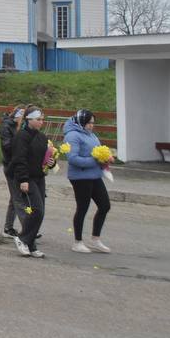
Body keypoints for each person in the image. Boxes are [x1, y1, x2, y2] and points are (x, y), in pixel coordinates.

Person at [65, 109, 112, 254]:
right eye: (88, 123)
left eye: (93, 123)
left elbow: (98, 150)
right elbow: (72, 158)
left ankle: (95, 239)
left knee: (104, 205)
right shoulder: (72, 136)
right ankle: (77, 242)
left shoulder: (91, 135)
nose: (91, 125)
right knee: (82, 208)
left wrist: (106, 157)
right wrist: (95, 160)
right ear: (81, 122)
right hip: (80, 177)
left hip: (94, 175)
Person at [9, 108, 50, 258]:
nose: (41, 122)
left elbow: (45, 158)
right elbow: (20, 159)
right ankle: (22, 238)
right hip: (28, 178)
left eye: (42, 119)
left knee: (40, 212)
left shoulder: (42, 137)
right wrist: (23, 179)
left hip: (40, 177)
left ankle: (31, 245)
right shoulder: (21, 137)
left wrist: (51, 162)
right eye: (38, 119)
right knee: (36, 209)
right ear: (29, 120)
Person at [0, 105, 25, 239]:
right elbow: (7, 146)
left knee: (15, 198)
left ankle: (8, 227)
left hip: (21, 166)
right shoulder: (6, 127)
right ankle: (28, 229)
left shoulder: (21, 127)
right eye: (22, 116)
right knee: (18, 198)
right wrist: (19, 130)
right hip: (11, 166)